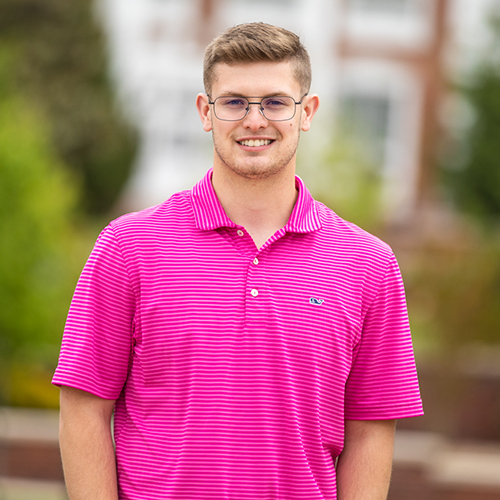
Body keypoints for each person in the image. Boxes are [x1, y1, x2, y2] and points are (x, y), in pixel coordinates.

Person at [53, 22, 423, 500]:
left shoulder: (368, 264)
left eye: (275, 102)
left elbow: (370, 430)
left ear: (307, 112)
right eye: (233, 102)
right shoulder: (129, 247)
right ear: (205, 112)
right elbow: (83, 409)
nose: (254, 120)